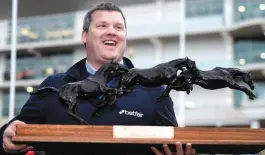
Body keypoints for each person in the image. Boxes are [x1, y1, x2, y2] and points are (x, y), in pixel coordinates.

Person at [0, 2, 196, 155]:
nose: (111, 31)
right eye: (102, 25)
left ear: (124, 37)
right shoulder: (54, 86)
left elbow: (172, 143)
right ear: (84, 36)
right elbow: (13, 133)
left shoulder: (154, 91)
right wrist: (6, 138)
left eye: (118, 27)